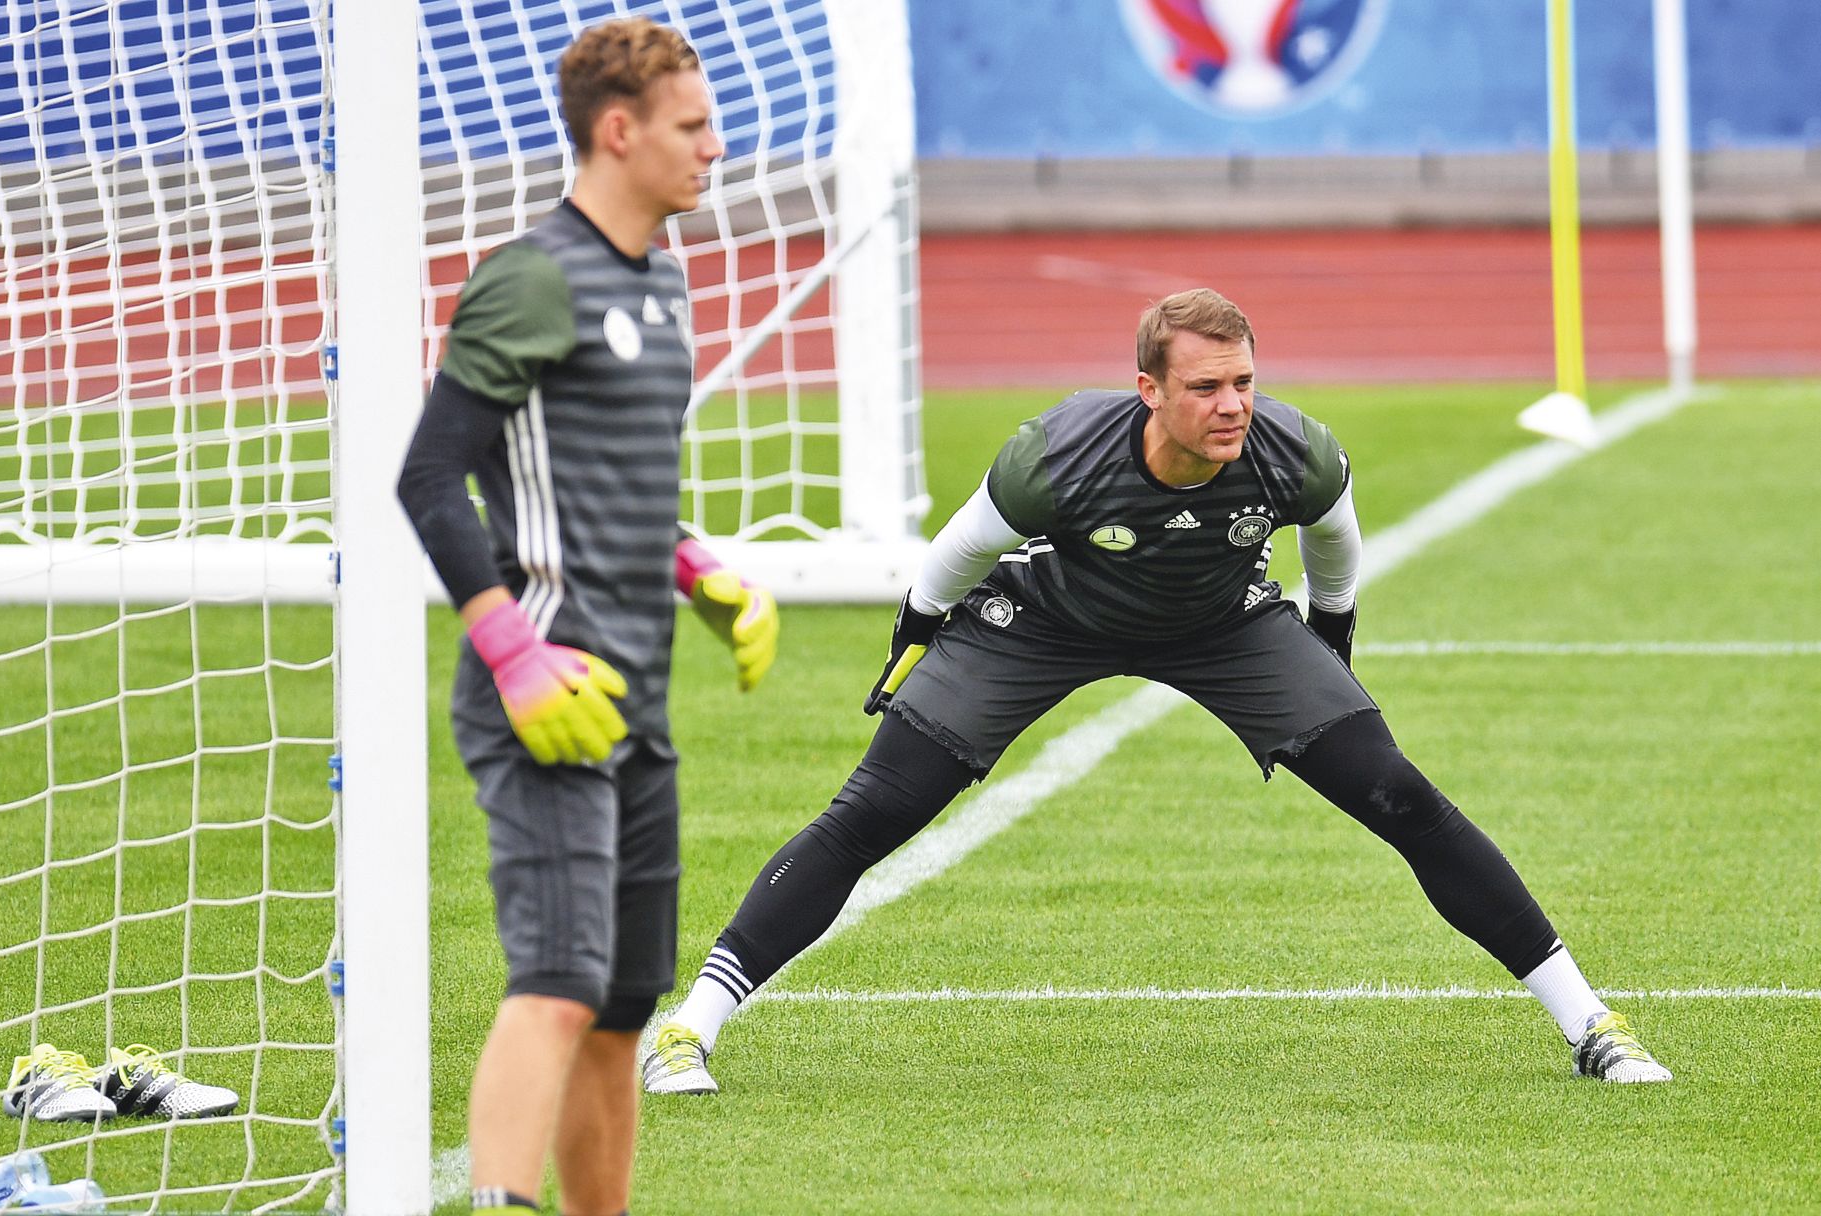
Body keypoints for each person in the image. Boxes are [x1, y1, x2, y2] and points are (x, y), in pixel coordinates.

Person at [641, 287, 1670, 1097]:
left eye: (1244, 382)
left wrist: (1332, 650)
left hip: (1226, 624)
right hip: (1043, 623)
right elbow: (950, 561)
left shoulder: (1291, 450)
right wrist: (915, 648)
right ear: (1147, 389)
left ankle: (1591, 1024)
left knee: (1399, 793)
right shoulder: (1054, 459)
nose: (1231, 406)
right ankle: (690, 1027)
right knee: (875, 808)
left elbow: (1335, 544)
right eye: (1206, 387)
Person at [396, 18, 779, 1216]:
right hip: (543, 692)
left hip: (637, 693)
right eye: (692, 127)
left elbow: (604, 482)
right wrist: (508, 647)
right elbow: (430, 474)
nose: (716, 149)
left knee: (619, 1008)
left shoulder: (663, 280)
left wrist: (694, 570)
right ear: (619, 131)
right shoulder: (531, 276)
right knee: (557, 983)